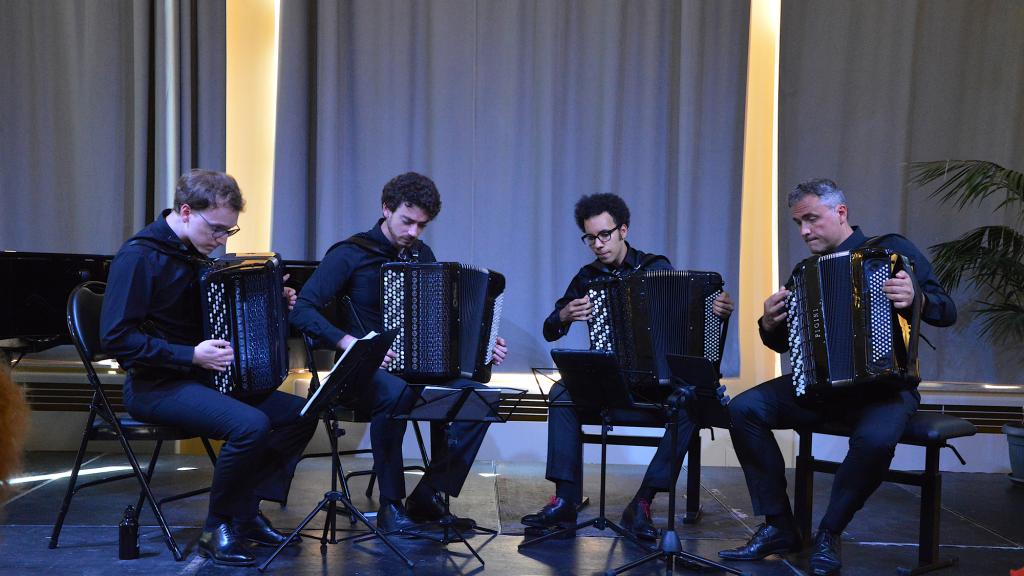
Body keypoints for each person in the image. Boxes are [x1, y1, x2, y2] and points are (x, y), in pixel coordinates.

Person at [718, 179, 957, 576]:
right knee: (744, 409)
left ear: (840, 212)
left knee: (876, 440)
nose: (804, 231)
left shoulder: (893, 250)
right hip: (821, 387)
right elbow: (784, 346)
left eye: (811, 219)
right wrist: (768, 321)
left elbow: (946, 310)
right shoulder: (804, 272)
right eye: (798, 223)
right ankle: (779, 525)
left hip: (885, 388)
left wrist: (917, 298)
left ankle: (829, 532)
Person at [101, 169, 317, 566]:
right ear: (186, 212)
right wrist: (190, 355)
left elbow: (224, 321)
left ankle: (245, 513)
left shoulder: (198, 257)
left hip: (208, 380)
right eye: (217, 230)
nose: (221, 241)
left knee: (301, 414)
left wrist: (274, 304)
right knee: (249, 425)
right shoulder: (139, 257)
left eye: (228, 233)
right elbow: (116, 339)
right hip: (155, 385)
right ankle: (215, 528)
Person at [289, 171, 509, 532]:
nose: (413, 233)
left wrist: (483, 346)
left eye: (422, 226)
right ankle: (392, 504)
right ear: (386, 209)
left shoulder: (422, 255)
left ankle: (429, 494)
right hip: (361, 372)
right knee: (395, 392)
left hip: (414, 369)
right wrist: (349, 342)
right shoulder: (350, 254)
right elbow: (303, 311)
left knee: (478, 399)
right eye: (407, 221)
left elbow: (442, 321)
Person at [520, 193, 734, 541]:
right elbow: (549, 328)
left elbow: (693, 314)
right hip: (612, 383)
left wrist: (718, 309)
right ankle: (564, 499)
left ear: (623, 230)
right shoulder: (587, 277)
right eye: (590, 238)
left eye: (604, 235)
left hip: (657, 385)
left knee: (692, 403)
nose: (598, 245)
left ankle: (643, 503)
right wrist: (564, 314)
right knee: (561, 391)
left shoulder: (656, 267)